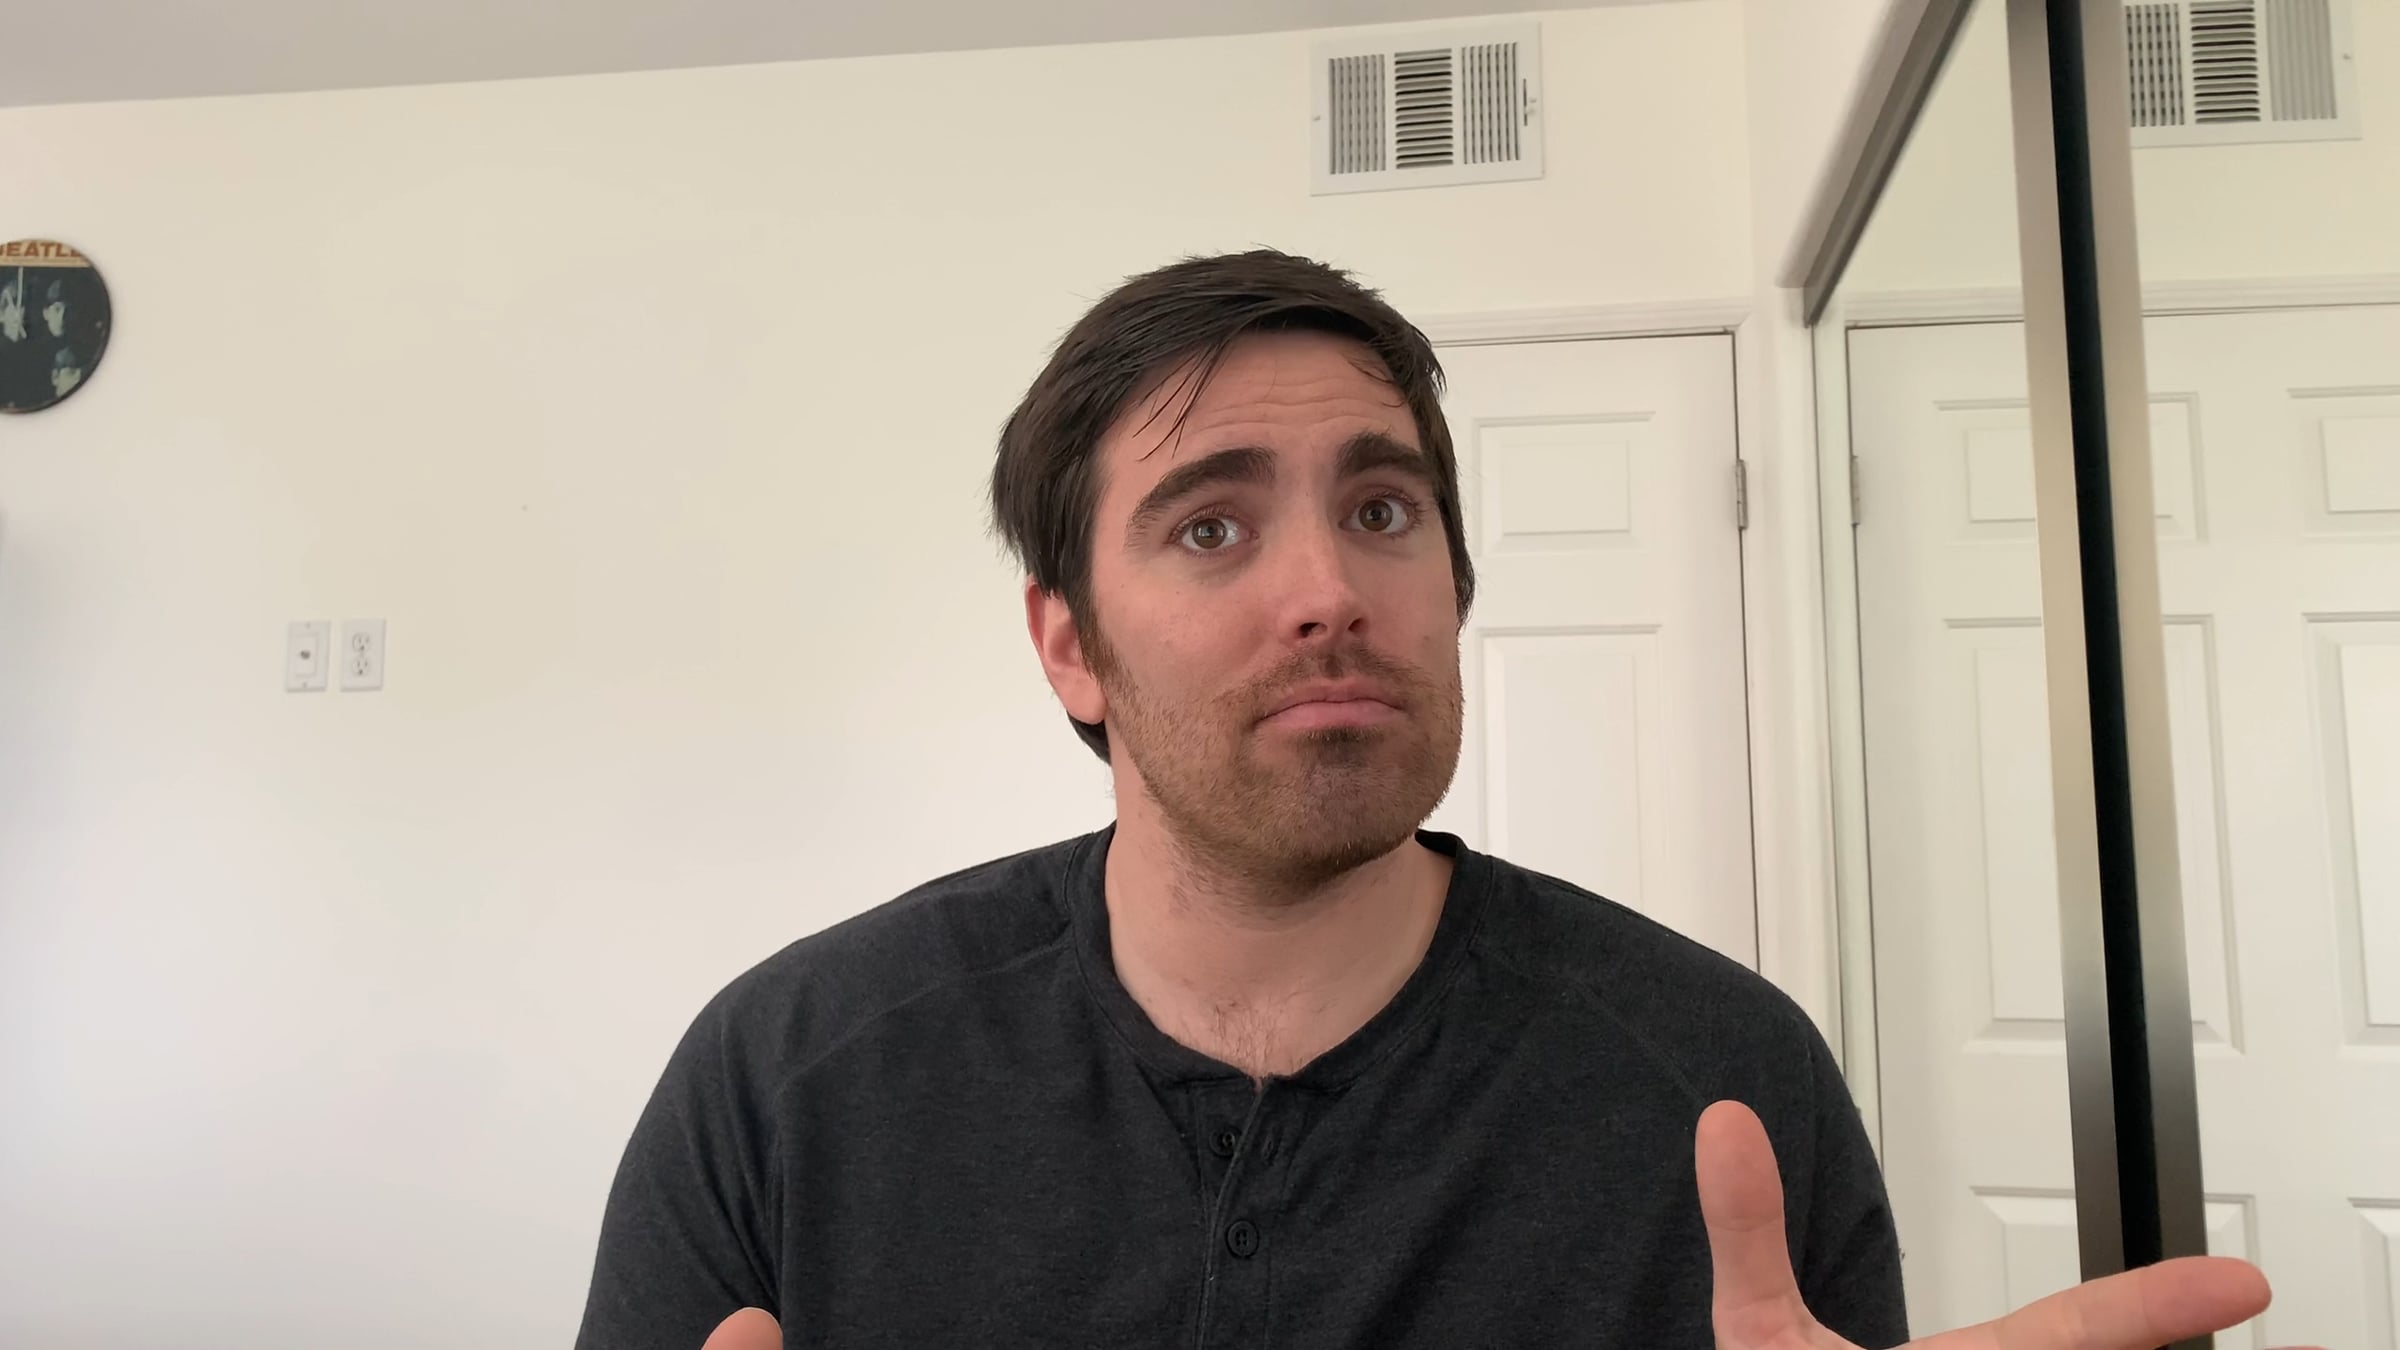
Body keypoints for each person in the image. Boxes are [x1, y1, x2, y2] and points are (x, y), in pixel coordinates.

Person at [575, 250, 2275, 1350]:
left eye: (1382, 511)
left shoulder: (1720, 1089)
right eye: (1212, 525)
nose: (1328, 589)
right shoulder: (787, 1081)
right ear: (1070, 644)